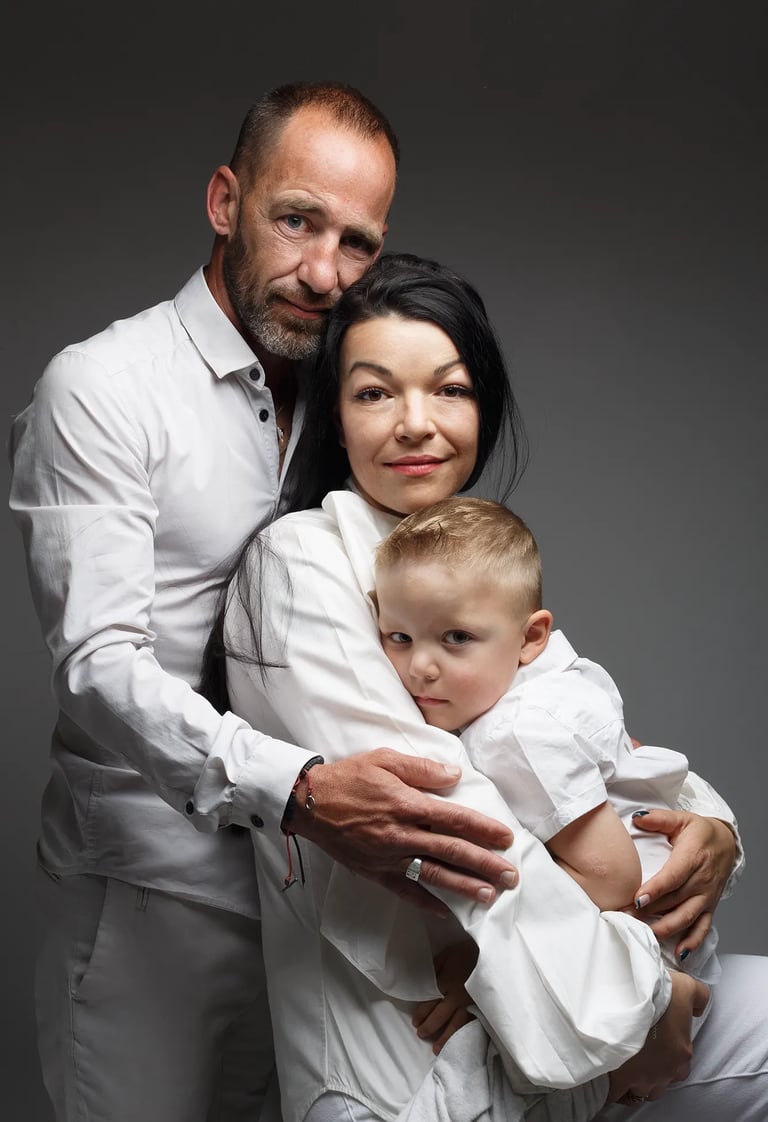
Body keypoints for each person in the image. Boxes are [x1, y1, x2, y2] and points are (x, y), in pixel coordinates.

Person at [8, 82, 527, 1122]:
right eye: (297, 221)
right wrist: (304, 793)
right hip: (154, 901)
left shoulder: (360, 398)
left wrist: (681, 811)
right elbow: (99, 665)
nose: (324, 272)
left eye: (357, 242)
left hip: (318, 914)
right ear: (224, 202)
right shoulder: (102, 387)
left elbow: (470, 625)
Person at [217, 252, 768, 1122]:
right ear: (335, 416)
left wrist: (712, 831)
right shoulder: (301, 560)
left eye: (451, 389)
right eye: (374, 393)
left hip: (552, 1017)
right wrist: (650, 1001)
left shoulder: (467, 553)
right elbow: (456, 812)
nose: (416, 424)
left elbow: (586, 733)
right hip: (408, 1064)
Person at [373, 495, 721, 1021]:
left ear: (531, 637)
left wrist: (482, 963)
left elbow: (610, 879)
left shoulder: (515, 732)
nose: (420, 665)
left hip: (641, 954)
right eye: (399, 637)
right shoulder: (559, 678)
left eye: (457, 638)